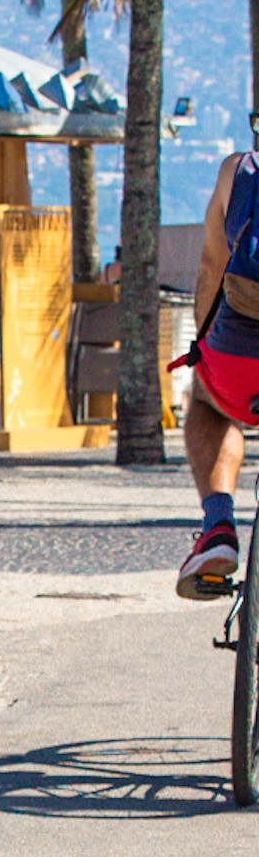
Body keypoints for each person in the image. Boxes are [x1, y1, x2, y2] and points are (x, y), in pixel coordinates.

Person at [175, 139, 259, 596]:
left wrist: (202, 349)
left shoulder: (238, 171)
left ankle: (217, 526)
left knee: (207, 401)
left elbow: (212, 268)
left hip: (241, 353)